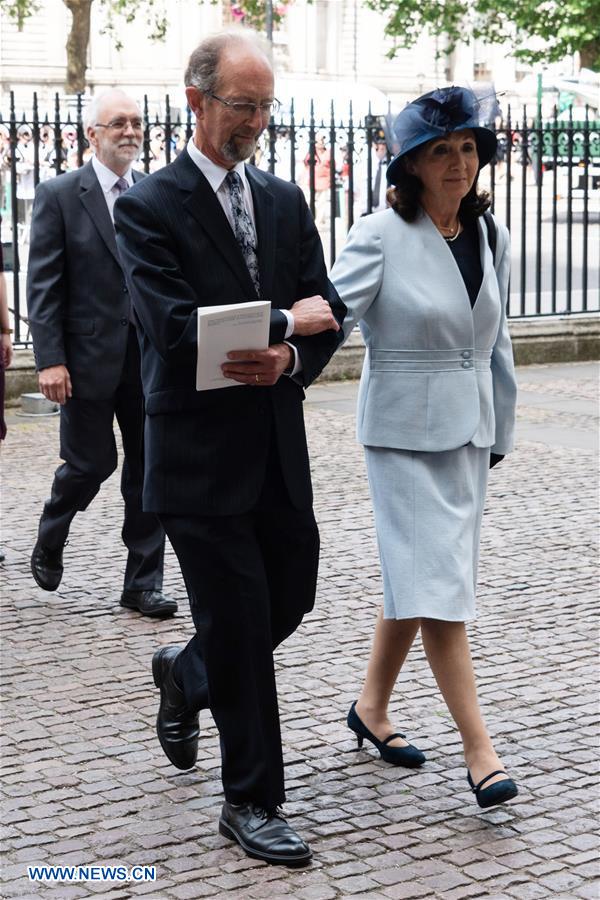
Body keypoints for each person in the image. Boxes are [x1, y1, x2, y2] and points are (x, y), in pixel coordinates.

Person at [114, 30, 345, 866]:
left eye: (265, 107)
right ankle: (251, 799)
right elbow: (173, 329)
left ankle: (188, 673)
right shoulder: (147, 205)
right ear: (196, 100)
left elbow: (331, 309)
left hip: (277, 449)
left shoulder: (284, 201)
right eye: (242, 106)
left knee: (291, 595)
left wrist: (289, 355)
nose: (256, 122)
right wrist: (286, 322)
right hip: (196, 459)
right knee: (243, 615)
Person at [330, 86, 519, 810]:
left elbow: (493, 341)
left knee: (419, 579)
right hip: (404, 436)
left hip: (469, 434)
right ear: (408, 164)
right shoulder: (379, 233)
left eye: (468, 147)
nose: (458, 163)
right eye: (440, 151)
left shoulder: (488, 234)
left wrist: (500, 427)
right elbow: (331, 317)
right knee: (441, 590)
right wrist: (279, 356)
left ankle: (371, 708)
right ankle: (480, 750)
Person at [26, 89, 175, 619]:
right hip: (85, 361)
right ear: (93, 134)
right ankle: (51, 531)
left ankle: (141, 583)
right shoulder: (61, 194)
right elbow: (43, 284)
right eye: (118, 123)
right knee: (91, 463)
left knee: (149, 470)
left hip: (150, 359)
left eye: (137, 122)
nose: (131, 131)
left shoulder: (156, 193)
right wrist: (49, 360)